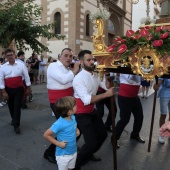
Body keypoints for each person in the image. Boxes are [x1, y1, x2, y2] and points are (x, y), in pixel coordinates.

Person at [72, 50, 115, 170]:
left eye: (93, 59)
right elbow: (86, 100)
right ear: (81, 62)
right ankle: (75, 165)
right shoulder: (78, 79)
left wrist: (107, 77)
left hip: (91, 111)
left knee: (102, 135)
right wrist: (106, 95)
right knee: (90, 143)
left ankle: (88, 154)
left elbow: (105, 86)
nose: (92, 62)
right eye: (89, 60)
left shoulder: (95, 74)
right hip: (81, 113)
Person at [44, 48, 80, 164]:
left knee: (71, 127)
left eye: (71, 56)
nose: (69, 58)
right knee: (66, 128)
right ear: (60, 56)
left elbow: (71, 83)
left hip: (68, 101)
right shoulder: (54, 66)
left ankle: (68, 145)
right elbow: (63, 80)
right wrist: (74, 71)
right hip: (58, 102)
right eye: (66, 55)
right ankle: (50, 152)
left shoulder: (67, 69)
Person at [44, 96, 80, 170]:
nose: (76, 106)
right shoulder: (59, 124)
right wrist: (59, 144)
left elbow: (73, 125)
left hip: (73, 151)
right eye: (74, 105)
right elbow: (46, 135)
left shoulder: (73, 117)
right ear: (69, 111)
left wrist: (76, 130)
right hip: (63, 155)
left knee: (71, 168)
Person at [0, 49, 31, 134]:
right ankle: (14, 119)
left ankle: (16, 125)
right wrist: (3, 91)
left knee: (17, 106)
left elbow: (26, 76)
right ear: (5, 57)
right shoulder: (3, 67)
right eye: (8, 55)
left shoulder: (21, 65)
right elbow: (1, 79)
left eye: (11, 54)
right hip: (8, 89)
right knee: (11, 106)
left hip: (19, 89)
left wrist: (28, 88)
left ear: (14, 55)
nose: (10, 56)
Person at [115, 74, 145, 148]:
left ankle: (135, 134)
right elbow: (130, 79)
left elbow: (142, 79)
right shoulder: (126, 68)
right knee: (124, 120)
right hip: (124, 97)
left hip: (134, 96)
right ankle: (114, 138)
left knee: (139, 117)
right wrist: (139, 71)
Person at [154, 78, 170, 144]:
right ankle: (161, 135)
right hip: (165, 93)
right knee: (163, 114)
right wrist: (157, 85)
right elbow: (160, 79)